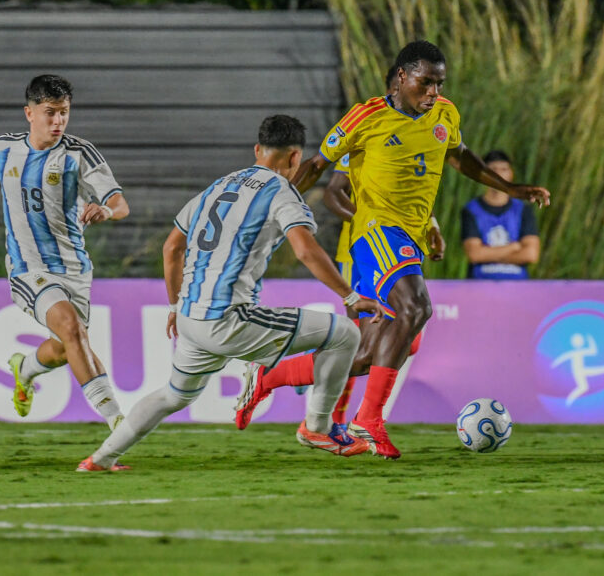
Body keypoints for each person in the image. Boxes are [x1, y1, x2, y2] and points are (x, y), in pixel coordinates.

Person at [235, 40, 551, 459]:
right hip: (375, 232)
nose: (434, 92)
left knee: (368, 352)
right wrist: (272, 205)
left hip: (411, 238)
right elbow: (318, 168)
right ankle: (368, 421)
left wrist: (510, 190)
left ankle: (270, 376)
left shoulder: (445, 114)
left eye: (439, 83)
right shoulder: (366, 117)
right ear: (402, 76)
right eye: (426, 82)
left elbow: (459, 157)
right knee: (416, 308)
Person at [76, 114, 383, 471]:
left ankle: (100, 458)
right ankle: (318, 427)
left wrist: (175, 305)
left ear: (257, 150)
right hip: (228, 318)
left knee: (173, 395)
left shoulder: (218, 186)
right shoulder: (281, 192)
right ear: (295, 157)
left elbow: (172, 248)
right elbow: (304, 250)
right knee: (344, 333)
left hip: (191, 316)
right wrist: (349, 296)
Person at [0, 74, 129, 430]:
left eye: (64, 112)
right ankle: (118, 423)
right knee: (71, 328)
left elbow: (120, 203)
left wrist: (106, 210)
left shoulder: (79, 154)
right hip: (27, 268)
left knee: (66, 346)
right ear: (29, 113)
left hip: (74, 269)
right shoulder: (5, 149)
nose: (58, 121)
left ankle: (26, 368)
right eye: (50, 113)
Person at [315, 64, 441, 429]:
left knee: (389, 339)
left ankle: (337, 407)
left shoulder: (417, 131)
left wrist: (430, 224)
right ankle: (334, 420)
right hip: (361, 251)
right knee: (360, 339)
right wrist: (368, 222)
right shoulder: (364, 129)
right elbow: (332, 192)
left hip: (397, 244)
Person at [460, 149, 540, 279]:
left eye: (503, 169)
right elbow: (475, 254)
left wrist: (488, 254)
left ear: (511, 174)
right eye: (493, 170)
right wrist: (514, 247)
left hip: (517, 286)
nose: (498, 174)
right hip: (479, 285)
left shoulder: (523, 210)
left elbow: (531, 254)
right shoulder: (471, 210)